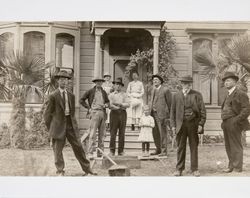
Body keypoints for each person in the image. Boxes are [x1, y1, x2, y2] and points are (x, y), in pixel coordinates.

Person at [44, 70, 97, 176]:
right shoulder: (53, 96)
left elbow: (72, 113)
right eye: (62, 80)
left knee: (78, 147)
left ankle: (87, 169)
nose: (64, 82)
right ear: (58, 81)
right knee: (57, 150)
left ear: (68, 82)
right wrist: (51, 128)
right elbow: (47, 114)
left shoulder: (71, 95)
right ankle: (60, 171)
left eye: (66, 80)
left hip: (70, 124)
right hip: (58, 126)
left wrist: (74, 125)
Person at [170, 75, 206, 177]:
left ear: (191, 84)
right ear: (181, 84)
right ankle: (179, 169)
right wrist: (173, 126)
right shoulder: (176, 95)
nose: (186, 85)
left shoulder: (197, 95)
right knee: (181, 147)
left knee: (194, 146)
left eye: (188, 83)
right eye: (184, 83)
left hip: (193, 124)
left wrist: (201, 124)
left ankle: (195, 169)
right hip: (180, 125)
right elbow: (172, 113)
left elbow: (203, 111)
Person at [220, 72, 250, 173]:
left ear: (235, 81)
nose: (226, 83)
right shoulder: (227, 94)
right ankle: (231, 166)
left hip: (235, 122)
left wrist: (236, 120)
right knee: (228, 145)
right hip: (226, 123)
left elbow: (246, 109)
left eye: (228, 80)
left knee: (236, 145)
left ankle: (237, 167)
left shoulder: (240, 93)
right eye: (225, 81)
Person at [79, 76, 109, 159]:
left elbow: (107, 102)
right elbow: (81, 100)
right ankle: (90, 152)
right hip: (94, 112)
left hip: (102, 113)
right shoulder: (90, 91)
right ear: (95, 83)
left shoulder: (104, 92)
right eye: (97, 82)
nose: (99, 83)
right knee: (92, 134)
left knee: (102, 134)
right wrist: (88, 108)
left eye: (100, 82)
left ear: (102, 83)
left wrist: (106, 105)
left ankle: (100, 153)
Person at [149, 74, 172, 157]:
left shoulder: (165, 90)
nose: (155, 81)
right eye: (154, 80)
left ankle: (164, 151)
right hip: (153, 114)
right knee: (155, 133)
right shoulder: (153, 90)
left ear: (160, 81)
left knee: (162, 133)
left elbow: (170, 104)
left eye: (156, 80)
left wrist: (169, 116)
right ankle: (158, 149)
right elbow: (151, 101)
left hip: (162, 115)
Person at [109, 77, 130, 156]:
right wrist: (118, 106)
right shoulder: (111, 95)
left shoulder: (125, 94)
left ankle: (121, 151)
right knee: (113, 133)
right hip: (114, 114)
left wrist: (120, 104)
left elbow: (128, 104)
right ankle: (112, 151)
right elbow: (110, 105)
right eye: (116, 84)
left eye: (119, 85)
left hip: (123, 114)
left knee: (122, 133)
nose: (118, 86)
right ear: (114, 86)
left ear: (121, 86)